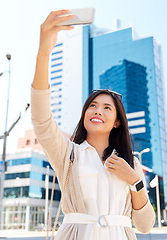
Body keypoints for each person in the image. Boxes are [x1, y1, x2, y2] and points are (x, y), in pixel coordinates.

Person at [31, 9, 155, 240]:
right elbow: (41, 120)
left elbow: (145, 225)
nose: (98, 110)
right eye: (92, 106)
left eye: (107, 108)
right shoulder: (68, 154)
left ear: (117, 122)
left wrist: (134, 180)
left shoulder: (131, 163)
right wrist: (43, 54)